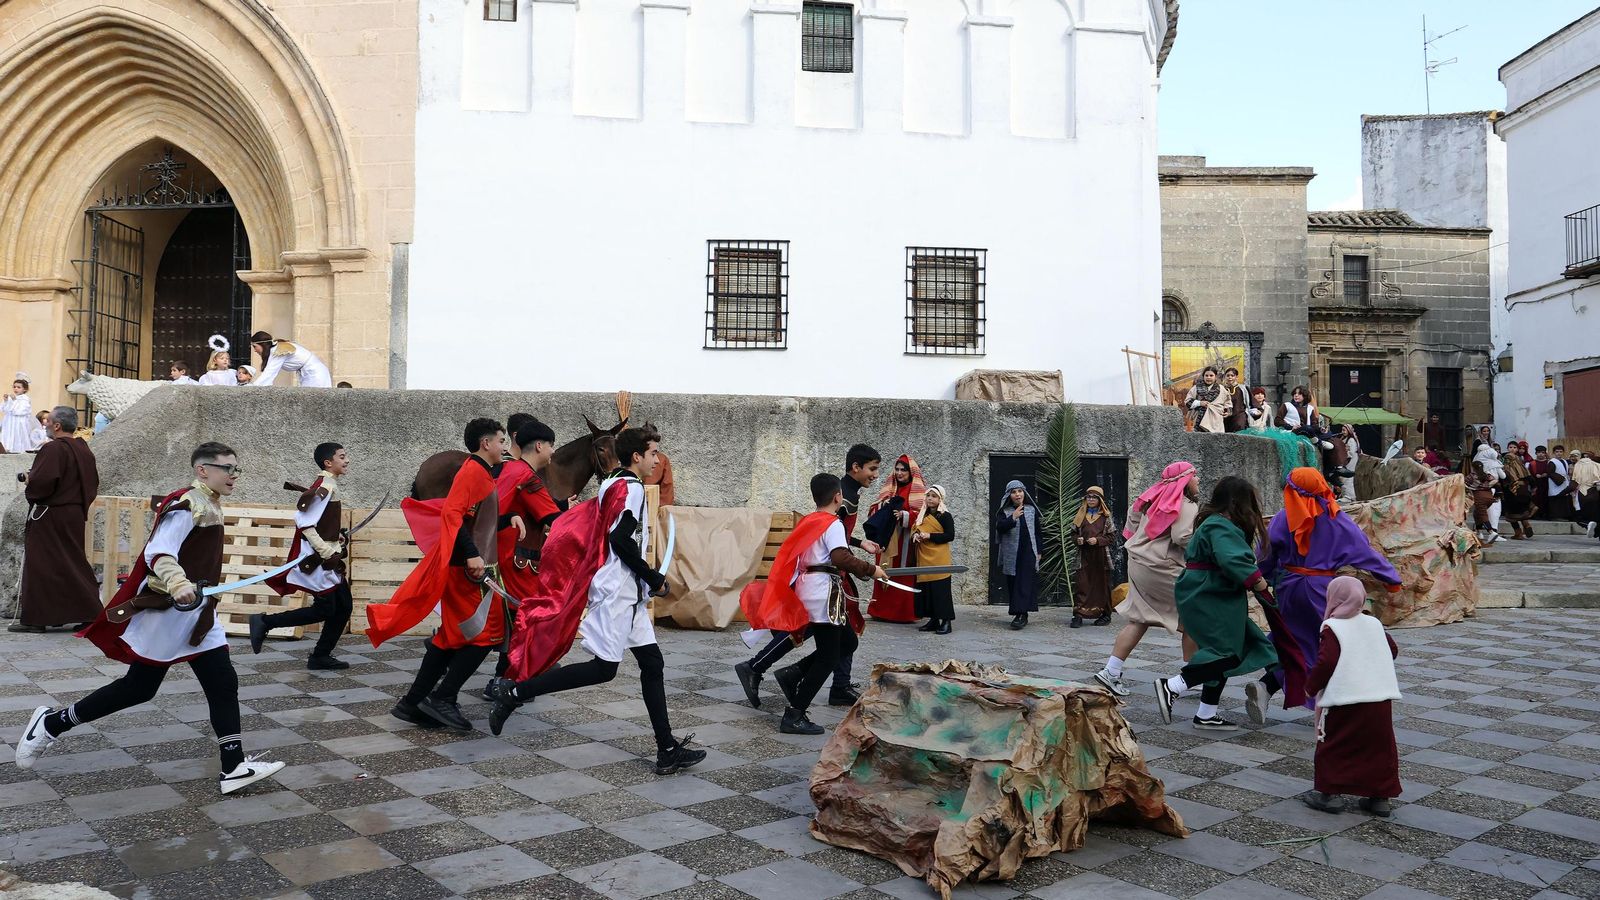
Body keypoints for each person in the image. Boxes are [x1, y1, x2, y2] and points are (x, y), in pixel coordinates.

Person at [19, 442, 287, 794]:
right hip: (171, 614)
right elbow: (159, 551)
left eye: (237, 468)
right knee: (139, 688)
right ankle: (52, 723)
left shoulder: (209, 503)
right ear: (202, 470)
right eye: (227, 468)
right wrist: (177, 582)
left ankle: (233, 766)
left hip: (199, 614)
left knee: (223, 683)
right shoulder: (187, 504)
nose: (234, 475)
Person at [487, 426, 706, 775]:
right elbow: (620, 540)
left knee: (652, 663)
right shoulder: (630, 488)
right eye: (652, 454)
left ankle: (667, 749)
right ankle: (512, 693)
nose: (657, 460)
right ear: (637, 456)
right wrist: (653, 577)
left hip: (627, 593)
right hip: (617, 592)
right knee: (603, 670)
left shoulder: (613, 482)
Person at [368, 418, 512, 731]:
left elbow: (476, 521)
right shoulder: (473, 471)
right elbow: (453, 514)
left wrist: (508, 520)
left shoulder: (481, 473)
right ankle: (443, 697)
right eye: (501, 441)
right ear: (485, 443)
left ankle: (412, 703)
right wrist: (472, 554)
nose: (504, 447)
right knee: (485, 636)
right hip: (469, 570)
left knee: (450, 638)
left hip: (472, 566)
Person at [736, 444, 881, 710]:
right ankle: (823, 687)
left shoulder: (843, 497)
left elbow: (833, 536)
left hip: (827, 575)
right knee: (823, 633)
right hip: (827, 578)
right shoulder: (843, 499)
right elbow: (833, 541)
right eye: (872, 469)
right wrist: (865, 568)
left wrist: (860, 545)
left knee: (833, 634)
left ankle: (767, 668)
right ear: (855, 468)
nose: (875, 475)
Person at [1256, 468, 1401, 722]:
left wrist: (1258, 576)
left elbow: (1265, 554)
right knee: (1327, 645)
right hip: (1323, 590)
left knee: (1294, 641)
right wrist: (1391, 578)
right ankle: (1321, 705)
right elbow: (1364, 553)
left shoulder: (1282, 517)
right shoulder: (1337, 518)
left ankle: (1268, 685)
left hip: (1288, 587)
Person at [1154, 476, 1278, 731]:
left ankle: (1206, 713)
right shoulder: (1220, 525)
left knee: (1232, 648)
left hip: (1214, 594)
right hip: (1210, 595)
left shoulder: (1216, 523)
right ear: (1236, 502)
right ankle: (1173, 686)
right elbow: (1231, 559)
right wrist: (1258, 582)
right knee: (1228, 654)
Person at [1095, 462, 1200, 697]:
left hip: (1138, 562)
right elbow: (1183, 536)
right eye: (1194, 476)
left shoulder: (1150, 499)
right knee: (1193, 616)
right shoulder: (1185, 504)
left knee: (1139, 619)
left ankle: (1111, 671)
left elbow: (1130, 525)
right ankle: (1192, 675)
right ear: (1184, 479)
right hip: (1162, 566)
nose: (1198, 480)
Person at [1300, 576, 1402, 817]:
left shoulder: (1333, 627)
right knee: (1378, 746)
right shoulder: (1373, 623)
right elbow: (1392, 651)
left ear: (1334, 598)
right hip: (1379, 698)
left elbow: (1327, 662)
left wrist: (1310, 687)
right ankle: (1379, 797)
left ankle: (1330, 794)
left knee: (1336, 743)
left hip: (1345, 698)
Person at [477, 417, 564, 697]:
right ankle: (502, 681)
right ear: (539, 446)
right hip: (517, 563)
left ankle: (510, 676)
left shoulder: (508, 470)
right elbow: (554, 518)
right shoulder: (527, 478)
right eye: (551, 446)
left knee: (516, 624)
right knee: (523, 621)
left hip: (502, 559)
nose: (553, 452)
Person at [251, 442, 357, 669]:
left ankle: (320, 656)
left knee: (344, 606)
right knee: (326, 609)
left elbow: (319, 523)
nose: (346, 460)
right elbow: (305, 523)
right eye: (342, 456)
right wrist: (326, 550)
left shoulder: (328, 484)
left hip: (327, 557)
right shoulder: (324, 487)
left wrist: (334, 536)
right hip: (319, 561)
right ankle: (265, 621)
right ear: (328, 463)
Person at [13, 406, 101, 633]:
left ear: (57, 425)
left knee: (42, 564)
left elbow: (43, 484)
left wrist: (30, 481)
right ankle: (88, 612)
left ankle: (38, 620)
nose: (45, 425)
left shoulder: (53, 450)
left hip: (51, 514)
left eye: (48, 421)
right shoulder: (83, 450)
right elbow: (91, 483)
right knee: (71, 562)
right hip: (72, 514)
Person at [864, 455, 925, 622]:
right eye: (897, 469)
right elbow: (874, 508)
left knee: (901, 575)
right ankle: (879, 610)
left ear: (911, 472)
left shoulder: (917, 491)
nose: (899, 473)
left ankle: (902, 613)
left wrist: (904, 515)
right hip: (885, 540)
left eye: (903, 470)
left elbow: (922, 517)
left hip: (904, 543)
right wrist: (882, 507)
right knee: (882, 572)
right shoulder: (891, 488)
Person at [995, 480, 1041, 630]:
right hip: (1012, 554)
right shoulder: (1005, 511)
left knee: (1026, 582)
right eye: (1014, 492)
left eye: (1020, 491)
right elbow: (1000, 528)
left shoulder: (1031, 510)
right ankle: (1018, 613)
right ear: (1009, 495)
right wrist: (1013, 517)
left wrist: (1039, 551)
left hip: (1029, 551)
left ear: (1024, 493)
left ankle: (1022, 614)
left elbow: (1038, 532)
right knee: (1014, 583)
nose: (1017, 494)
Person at [912, 485, 956, 634]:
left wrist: (930, 536)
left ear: (940, 499)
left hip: (939, 558)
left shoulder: (944, 515)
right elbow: (916, 528)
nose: (930, 498)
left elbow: (950, 535)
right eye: (928, 495)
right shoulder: (922, 515)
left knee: (940, 590)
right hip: (924, 557)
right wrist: (916, 535)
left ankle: (946, 622)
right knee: (927, 591)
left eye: (934, 496)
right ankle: (933, 620)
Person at [1071, 486, 1117, 628]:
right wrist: (1077, 539)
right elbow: (1072, 534)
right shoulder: (1080, 515)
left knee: (1101, 585)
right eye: (1088, 497)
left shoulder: (1106, 517)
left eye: (1094, 497)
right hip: (1084, 555)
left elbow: (1111, 536)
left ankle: (1105, 614)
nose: (1091, 499)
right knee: (1082, 584)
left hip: (1100, 556)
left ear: (1099, 500)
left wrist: (1097, 541)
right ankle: (1078, 615)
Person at [249, 331, 333, 388]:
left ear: (262, 344)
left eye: (255, 346)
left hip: (315, 374)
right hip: (310, 373)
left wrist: (253, 388)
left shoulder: (278, 350)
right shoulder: (277, 348)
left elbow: (269, 373)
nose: (255, 350)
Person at [1500, 451, 1539, 540]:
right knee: (1522, 510)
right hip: (1524, 491)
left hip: (1512, 493)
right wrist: (1533, 488)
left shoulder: (1505, 469)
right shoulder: (1522, 468)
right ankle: (1526, 524)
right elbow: (1531, 479)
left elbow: (1503, 482)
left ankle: (1518, 533)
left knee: (1512, 515)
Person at [1471, 442, 1505, 543]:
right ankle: (1487, 531)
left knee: (1482, 513)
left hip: (1480, 494)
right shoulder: (1494, 464)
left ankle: (1485, 532)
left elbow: (1466, 482)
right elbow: (1502, 476)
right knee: (1493, 513)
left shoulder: (1475, 468)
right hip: (1492, 492)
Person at [1184, 367, 1230, 433]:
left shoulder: (1222, 389)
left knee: (1216, 440)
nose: (1208, 377)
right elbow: (1187, 402)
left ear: (1215, 377)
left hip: (1216, 420)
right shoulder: (1196, 388)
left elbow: (1227, 402)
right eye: (1206, 375)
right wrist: (1199, 403)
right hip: (1199, 419)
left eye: (1211, 375)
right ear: (1203, 376)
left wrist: (1227, 411)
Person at [1466, 460, 1500, 541]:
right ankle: (1478, 532)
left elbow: (1463, 482)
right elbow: (1495, 480)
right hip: (1489, 496)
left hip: (1479, 496)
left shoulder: (1471, 476)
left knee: (1482, 515)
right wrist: (1488, 485)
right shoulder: (1486, 475)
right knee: (1477, 513)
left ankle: (1491, 532)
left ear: (1473, 467)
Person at [2, 373, 36, 453]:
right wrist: (6, 400)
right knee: (8, 436)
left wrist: (13, 401)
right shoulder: (12, 397)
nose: (16, 389)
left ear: (24, 389)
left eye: (18, 387)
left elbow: (20, 411)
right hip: (9, 422)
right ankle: (7, 448)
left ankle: (18, 450)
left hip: (19, 423)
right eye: (14, 387)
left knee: (18, 436)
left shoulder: (25, 399)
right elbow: (4, 409)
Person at [1572, 452, 1600, 538]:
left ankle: (1589, 525)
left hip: (1585, 495)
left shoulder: (1578, 466)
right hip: (1595, 495)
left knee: (1579, 518)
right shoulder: (1597, 466)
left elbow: (1574, 483)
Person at [1221, 368, 1251, 433]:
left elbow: (1252, 402)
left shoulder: (1243, 389)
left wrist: (1258, 411)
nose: (1230, 377)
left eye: (1232, 375)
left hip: (1239, 415)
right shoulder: (1221, 389)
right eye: (1228, 375)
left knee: (1239, 429)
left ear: (1236, 377)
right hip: (1225, 416)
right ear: (1225, 377)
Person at [1336, 425, 1361, 501]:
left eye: (1344, 430)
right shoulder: (1345, 439)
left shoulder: (1351, 440)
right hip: (1345, 461)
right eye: (1342, 430)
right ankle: (1345, 495)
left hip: (1350, 461)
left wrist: (1344, 458)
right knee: (1344, 478)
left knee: (1348, 478)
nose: (1343, 432)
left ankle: (1350, 496)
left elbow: (1351, 453)